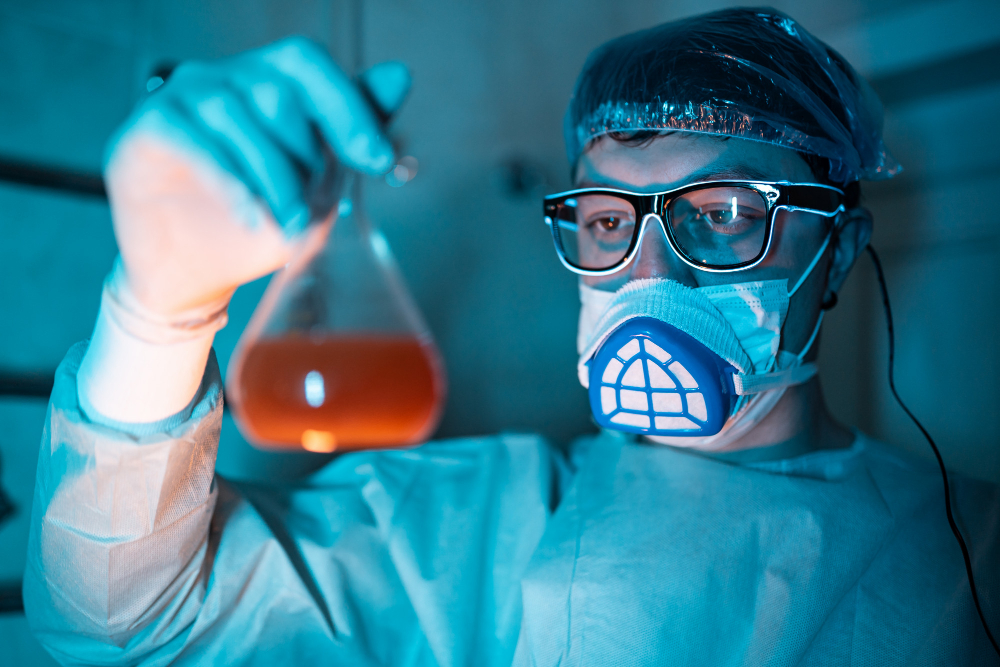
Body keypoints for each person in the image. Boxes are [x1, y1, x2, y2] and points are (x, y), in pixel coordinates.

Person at [23, 7, 999, 666]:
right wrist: (157, 309)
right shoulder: (479, 521)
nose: (651, 274)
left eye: (727, 209)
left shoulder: (971, 556)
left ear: (837, 252)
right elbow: (120, 622)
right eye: (610, 221)